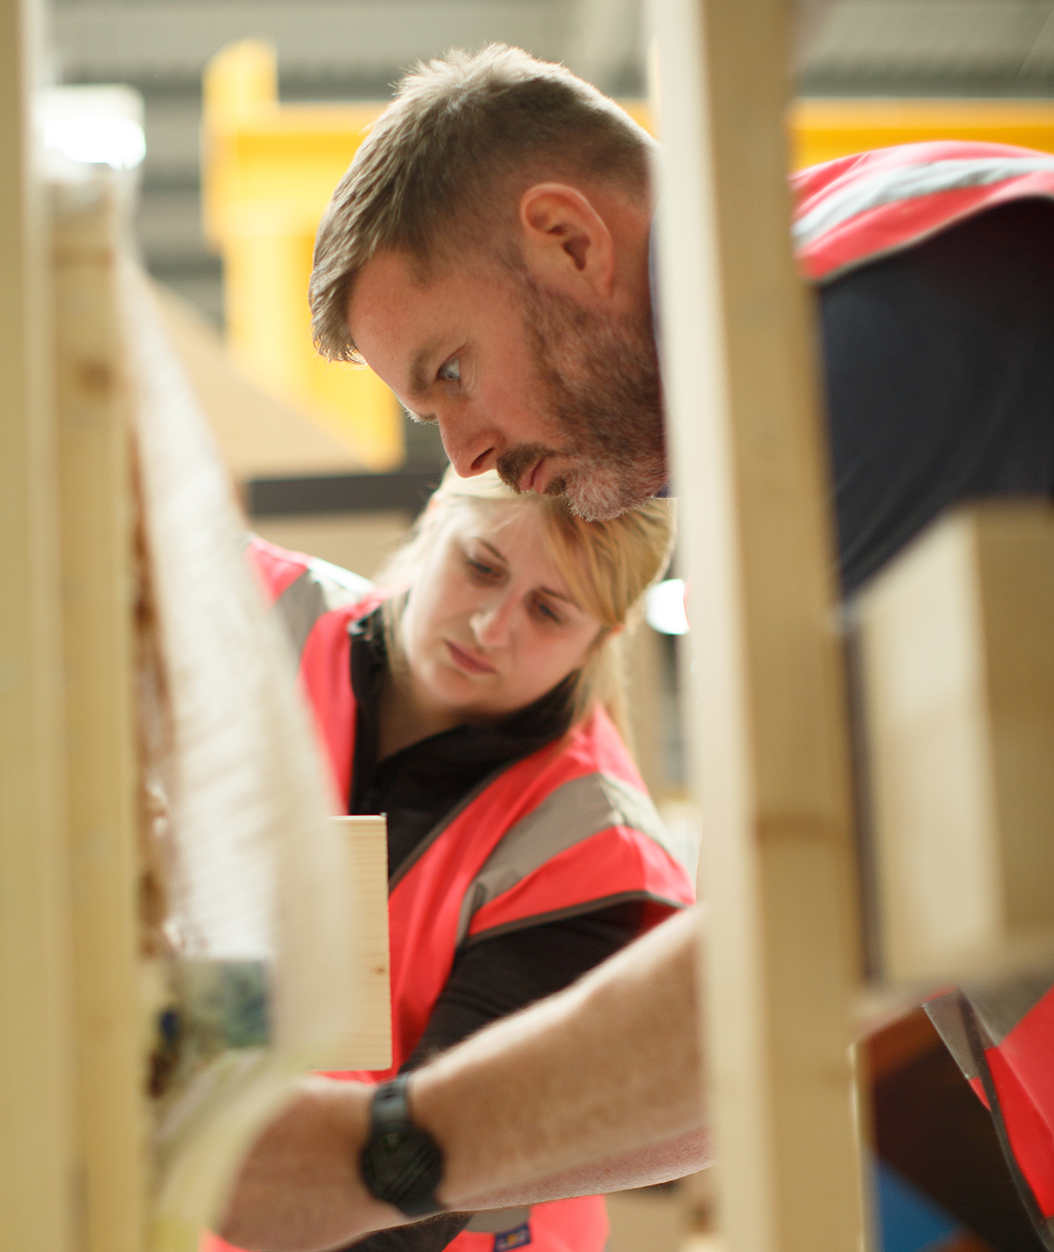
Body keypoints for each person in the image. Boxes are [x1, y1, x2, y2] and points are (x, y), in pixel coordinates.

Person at [217, 43, 1054, 1252]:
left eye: (454, 370)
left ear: (567, 238)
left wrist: (372, 1153)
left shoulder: (867, 342)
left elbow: (773, 988)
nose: (463, 456)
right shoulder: (817, 370)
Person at [230, 470, 692, 1252]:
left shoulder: (590, 848)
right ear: (438, 517)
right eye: (481, 565)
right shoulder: (252, 612)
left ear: (601, 640)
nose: (490, 625)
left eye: (549, 612)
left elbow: (429, 1177)